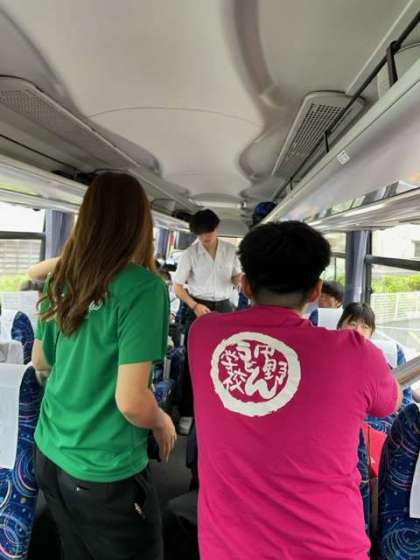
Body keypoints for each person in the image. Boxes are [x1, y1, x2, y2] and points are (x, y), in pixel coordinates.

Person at [188, 221, 402, 560]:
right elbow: (389, 404)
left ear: (245, 285)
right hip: (330, 549)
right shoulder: (357, 353)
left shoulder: (203, 334)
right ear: (316, 291)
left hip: (230, 549)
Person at [31, 172, 176, 560]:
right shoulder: (144, 288)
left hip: (50, 453)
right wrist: (162, 421)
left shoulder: (62, 276)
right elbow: (132, 402)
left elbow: (41, 360)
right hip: (102, 467)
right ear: (139, 225)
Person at [173, 209, 242, 432]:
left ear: (217, 228)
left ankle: (220, 409)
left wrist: (239, 280)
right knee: (193, 359)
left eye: (209, 232)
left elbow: (235, 275)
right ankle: (187, 411)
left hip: (224, 306)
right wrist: (194, 305)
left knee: (226, 358)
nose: (205, 237)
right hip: (198, 306)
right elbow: (178, 286)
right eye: (200, 234)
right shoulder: (190, 254)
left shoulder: (230, 251)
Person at [338, 302, 412, 432]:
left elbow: (405, 400)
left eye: (365, 327)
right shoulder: (328, 357)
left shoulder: (387, 358)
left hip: (383, 426)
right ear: (340, 327)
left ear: (371, 333)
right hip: (345, 423)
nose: (357, 331)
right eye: (352, 324)